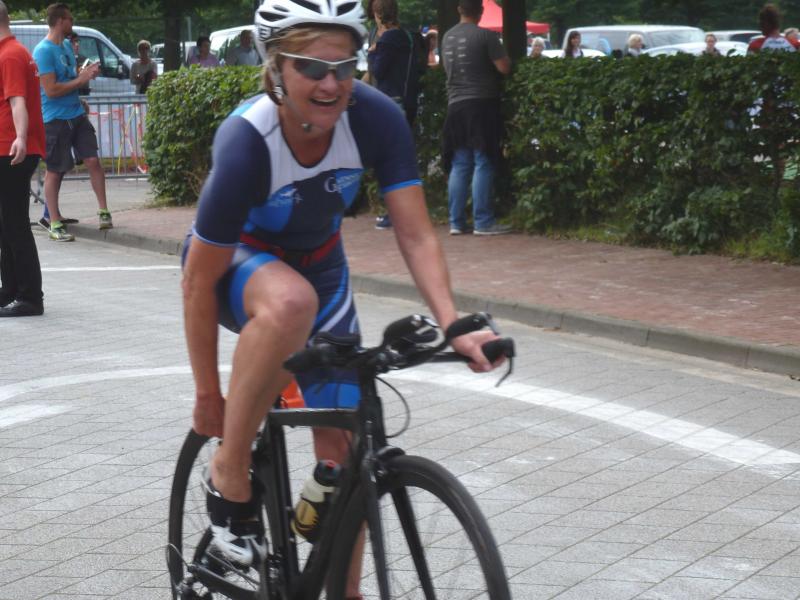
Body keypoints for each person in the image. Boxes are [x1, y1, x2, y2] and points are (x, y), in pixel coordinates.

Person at [181, 0, 504, 590]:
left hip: (320, 265)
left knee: (348, 450)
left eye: (345, 67)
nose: (331, 85)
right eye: (311, 68)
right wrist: (207, 394)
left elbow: (415, 232)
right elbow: (199, 280)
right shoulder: (247, 139)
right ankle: (230, 470)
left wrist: (453, 323)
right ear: (276, 67)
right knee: (291, 302)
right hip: (239, 263)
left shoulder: (376, 118)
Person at [32, 3, 113, 242]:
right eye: (70, 19)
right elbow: (51, 90)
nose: (72, 22)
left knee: (92, 160)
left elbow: (71, 75)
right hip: (55, 119)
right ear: (60, 21)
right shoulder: (43, 51)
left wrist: (86, 73)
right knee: (55, 170)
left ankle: (104, 211)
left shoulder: (66, 45)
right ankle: (53, 222)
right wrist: (81, 80)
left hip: (76, 113)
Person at [441, 0, 512, 235]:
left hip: (455, 106)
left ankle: (456, 221)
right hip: (482, 104)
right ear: (480, 11)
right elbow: (504, 67)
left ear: (459, 9)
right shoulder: (486, 36)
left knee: (460, 164)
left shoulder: (447, 37)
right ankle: (483, 221)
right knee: (484, 160)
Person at [0, 0, 46, 317]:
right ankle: (11, 290)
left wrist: (19, 137)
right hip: (11, 147)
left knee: (15, 223)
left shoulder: (10, 55)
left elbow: (18, 101)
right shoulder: (12, 52)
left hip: (12, 149)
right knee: (7, 223)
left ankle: (30, 297)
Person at [367, 0, 419, 230]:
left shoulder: (386, 39)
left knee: (388, 159)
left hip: (389, 101)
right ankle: (407, 209)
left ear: (378, 13)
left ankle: (393, 213)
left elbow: (378, 71)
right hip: (407, 99)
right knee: (402, 155)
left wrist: (372, 53)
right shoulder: (408, 36)